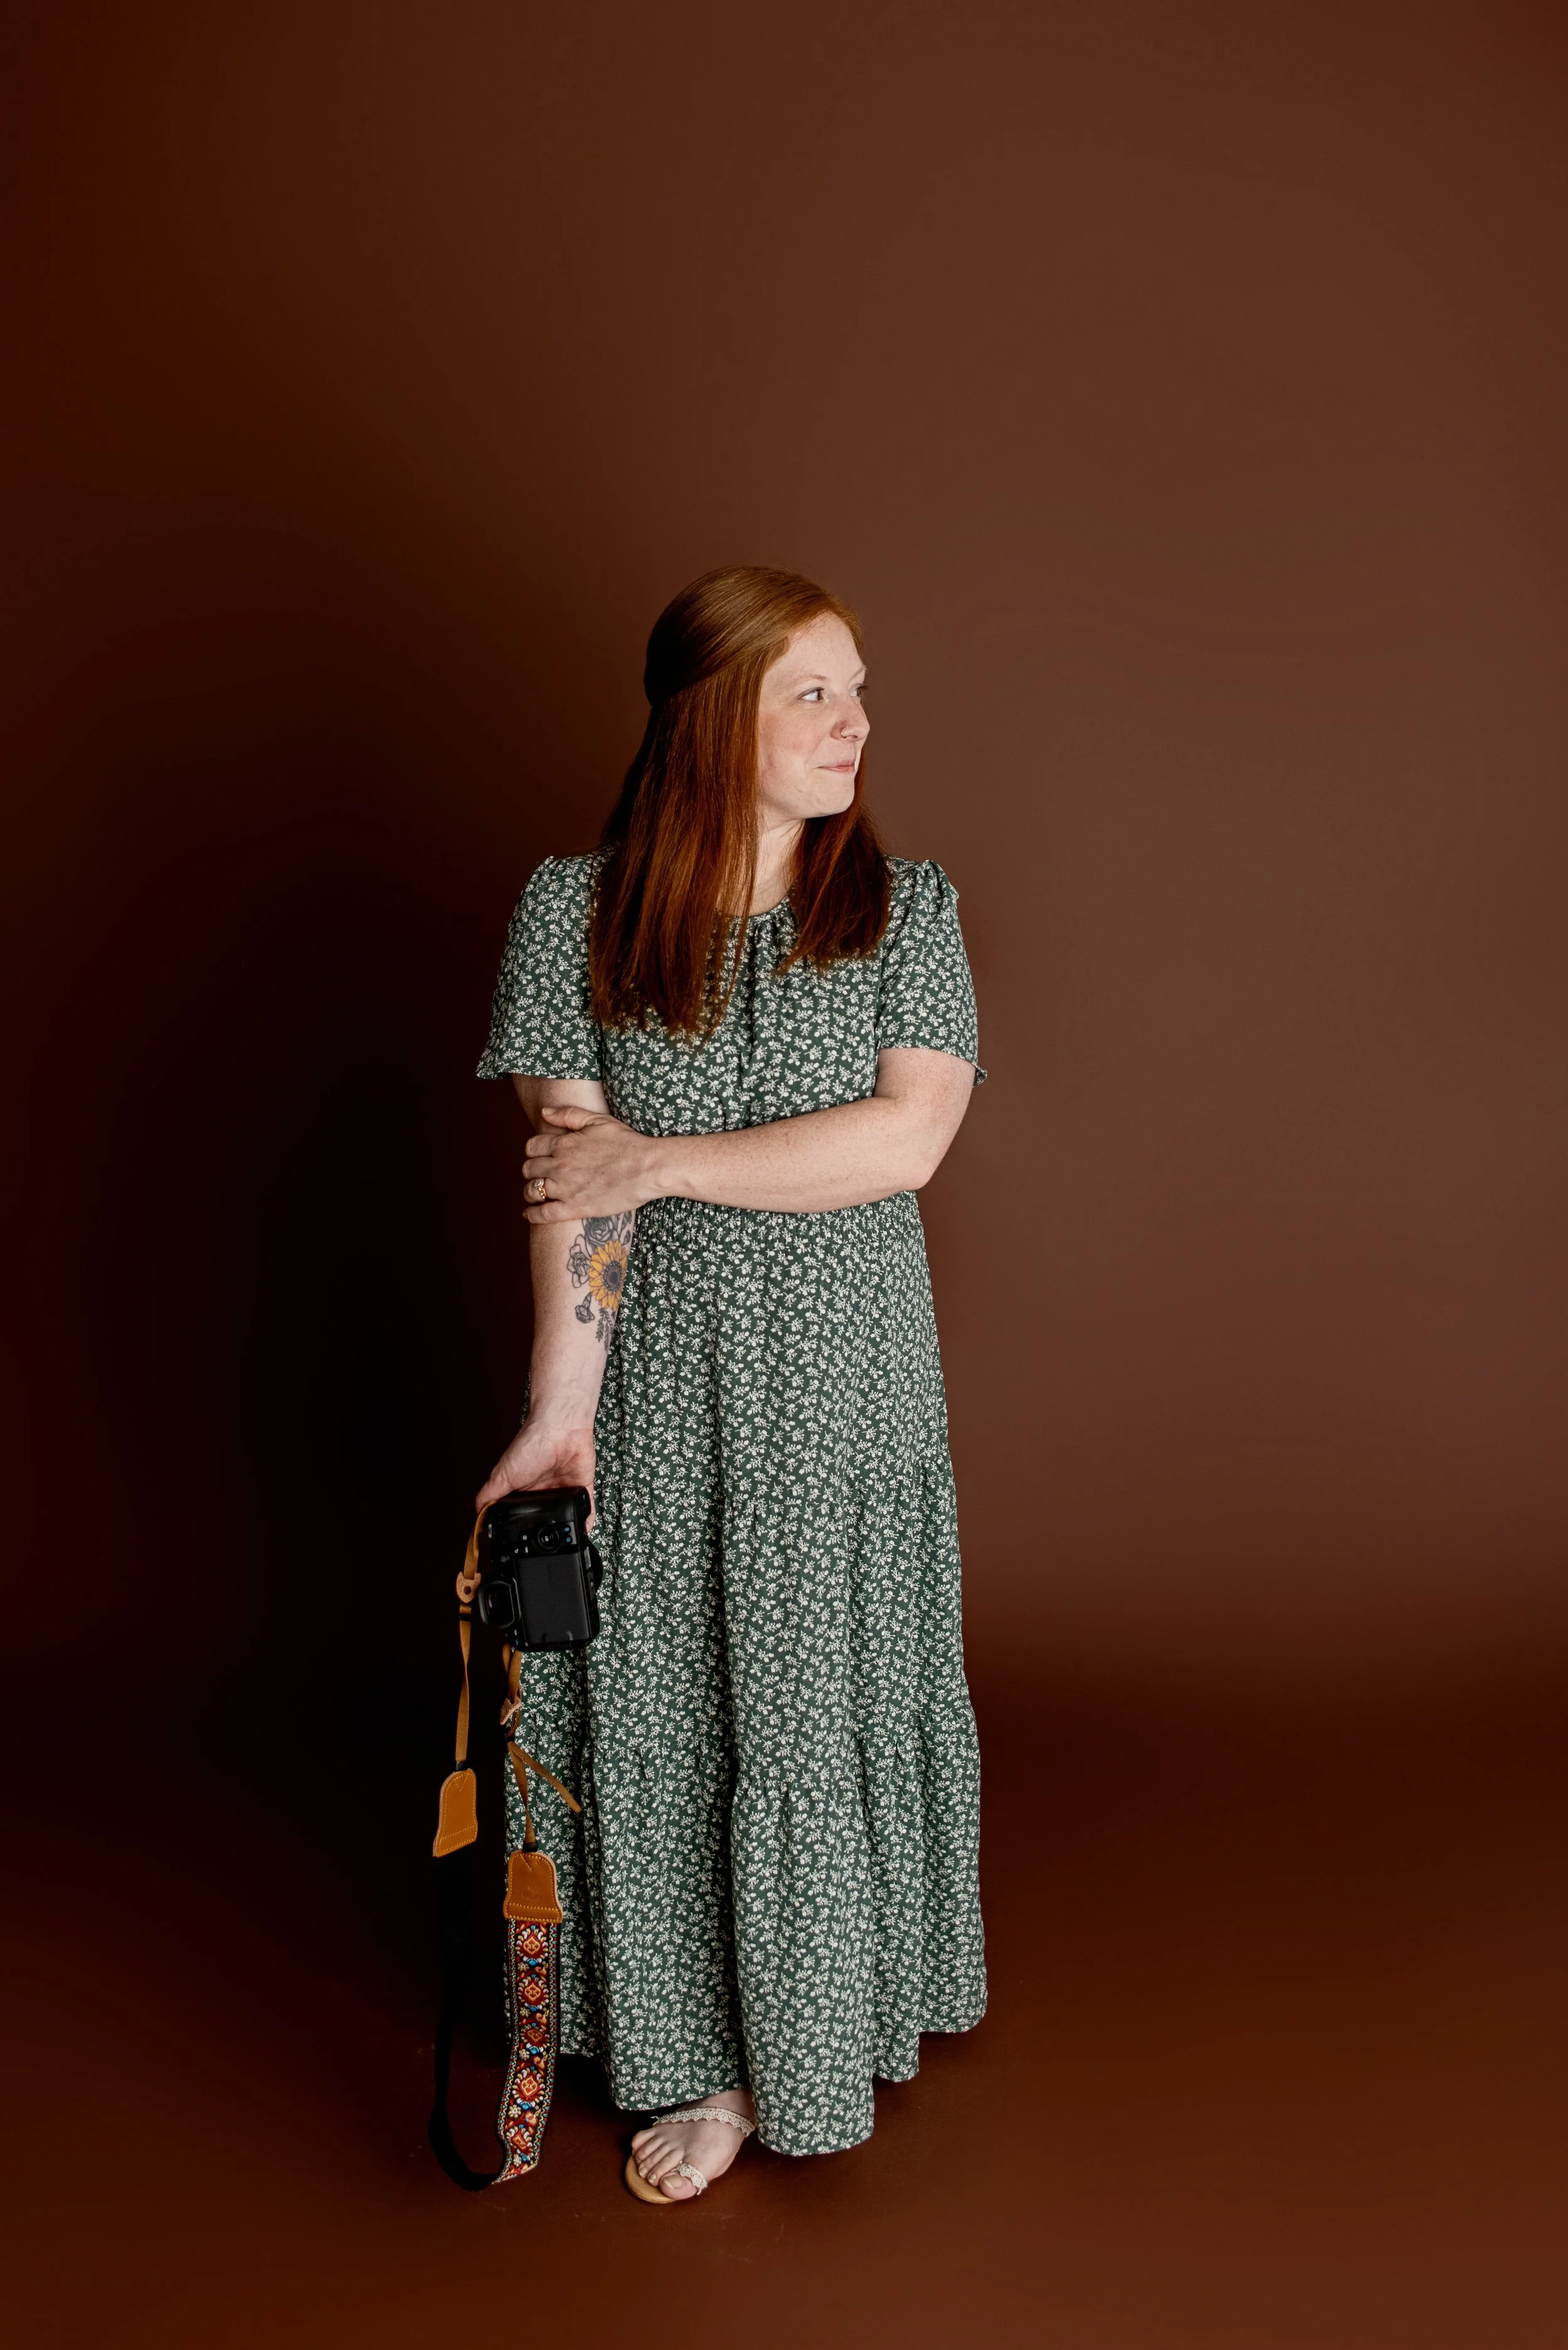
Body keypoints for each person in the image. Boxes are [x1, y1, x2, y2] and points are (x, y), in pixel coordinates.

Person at [474, 564, 986, 2202]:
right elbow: (575, 1201)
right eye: (812, 695)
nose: (857, 725)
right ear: (712, 723)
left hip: (841, 1391)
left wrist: (662, 1154)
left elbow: (902, 1143)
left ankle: (818, 2033)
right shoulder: (575, 911)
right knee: (663, 1709)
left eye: (858, 689)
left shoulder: (909, 909)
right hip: (661, 1393)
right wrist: (559, 1417)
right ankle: (692, 2050)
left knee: (809, 1711)